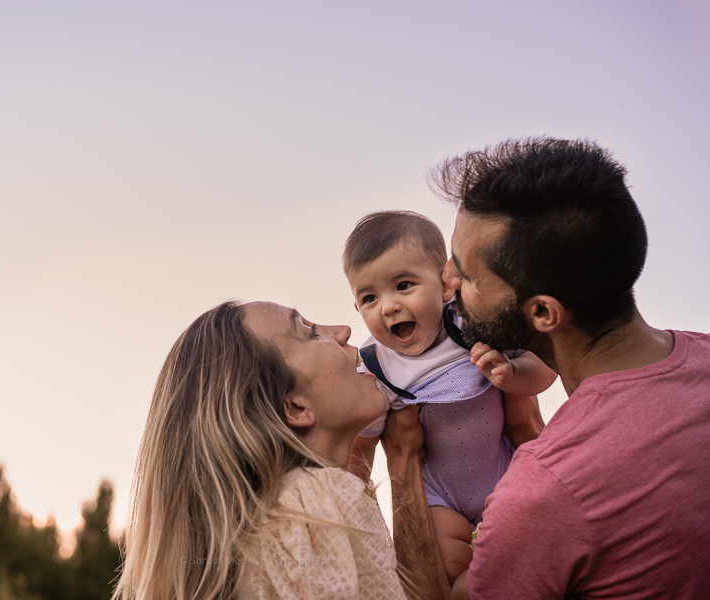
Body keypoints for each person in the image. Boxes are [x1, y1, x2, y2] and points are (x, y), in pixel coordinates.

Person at [386, 136, 710, 599]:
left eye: (468, 275)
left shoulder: (545, 490)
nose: (447, 281)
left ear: (542, 314)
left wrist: (401, 464)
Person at [112, 301, 450, 599]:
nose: (345, 331)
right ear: (296, 407)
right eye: (310, 333)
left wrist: (402, 455)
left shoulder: (262, 527)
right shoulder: (314, 506)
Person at [342, 210, 555, 583]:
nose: (388, 306)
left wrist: (514, 374)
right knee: (451, 574)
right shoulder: (376, 369)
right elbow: (362, 448)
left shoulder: (471, 324)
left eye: (404, 285)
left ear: (444, 286)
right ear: (358, 309)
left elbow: (547, 365)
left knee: (525, 557)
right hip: (438, 494)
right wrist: (352, 501)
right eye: (370, 297)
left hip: (503, 472)